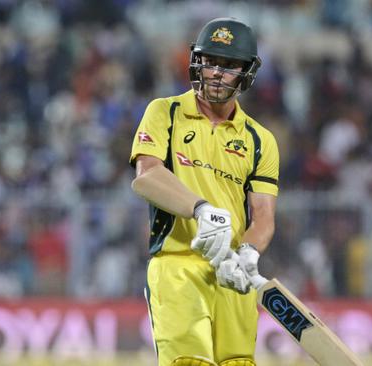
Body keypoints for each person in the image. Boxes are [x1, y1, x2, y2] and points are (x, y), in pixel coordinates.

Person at [129, 17, 280, 366]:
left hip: (231, 274)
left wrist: (248, 253)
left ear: (247, 71)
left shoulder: (260, 140)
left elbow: (264, 218)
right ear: (197, 61)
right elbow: (147, 176)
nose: (216, 73)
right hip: (177, 264)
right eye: (210, 61)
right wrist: (200, 209)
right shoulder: (164, 111)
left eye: (229, 66)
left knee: (239, 362)